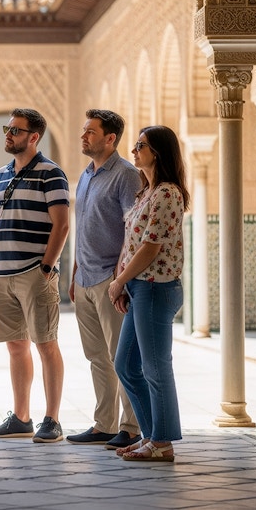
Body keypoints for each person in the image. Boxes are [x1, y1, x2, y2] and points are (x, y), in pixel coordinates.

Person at [0, 108, 69, 443]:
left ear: (33, 137)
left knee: (46, 344)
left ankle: (52, 419)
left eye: (15, 130)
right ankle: (21, 417)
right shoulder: (0, 175)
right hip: (1, 273)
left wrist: (46, 267)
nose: (8, 134)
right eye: (7, 128)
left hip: (34, 273)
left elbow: (62, 224)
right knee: (16, 345)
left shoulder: (51, 173)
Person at [108, 125, 190, 462]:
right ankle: (152, 437)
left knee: (156, 368)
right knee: (126, 365)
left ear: (157, 151)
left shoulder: (167, 193)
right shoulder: (146, 193)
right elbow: (131, 244)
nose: (133, 150)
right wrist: (123, 282)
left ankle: (162, 443)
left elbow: (150, 248)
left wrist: (118, 281)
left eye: (140, 145)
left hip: (156, 288)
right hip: (139, 287)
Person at [66, 109, 142, 449]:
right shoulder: (85, 175)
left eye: (90, 132)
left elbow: (133, 229)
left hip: (110, 281)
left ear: (110, 139)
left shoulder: (126, 175)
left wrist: (119, 278)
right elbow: (81, 227)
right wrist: (73, 272)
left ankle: (131, 426)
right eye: (84, 131)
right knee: (97, 356)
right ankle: (104, 423)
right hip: (84, 279)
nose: (83, 137)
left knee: (120, 356)